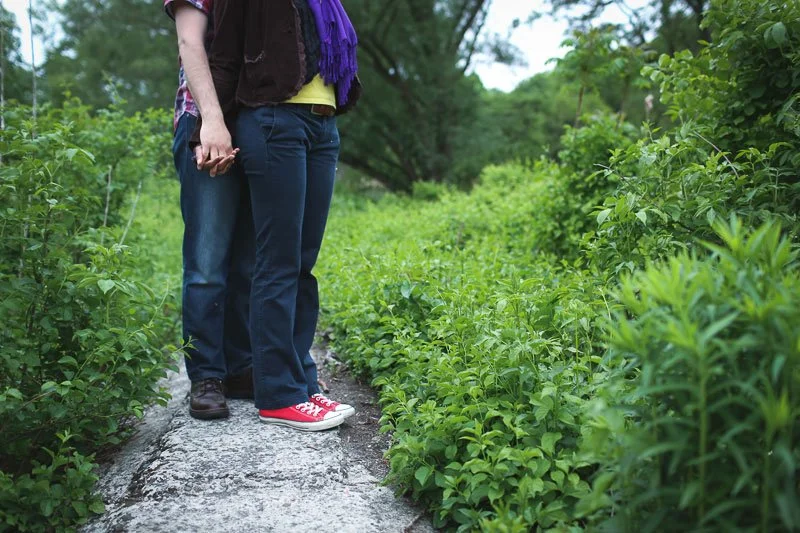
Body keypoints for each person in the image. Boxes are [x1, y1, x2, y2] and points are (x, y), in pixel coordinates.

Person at [193, 0, 362, 431]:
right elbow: (224, 54)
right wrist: (210, 128)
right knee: (278, 261)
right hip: (273, 120)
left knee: (303, 263)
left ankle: (302, 384)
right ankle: (278, 395)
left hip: (323, 125)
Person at [164, 0, 254, 420]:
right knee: (207, 258)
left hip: (256, 120)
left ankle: (240, 368)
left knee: (249, 258)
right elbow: (189, 41)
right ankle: (207, 375)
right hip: (206, 119)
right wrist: (211, 121)